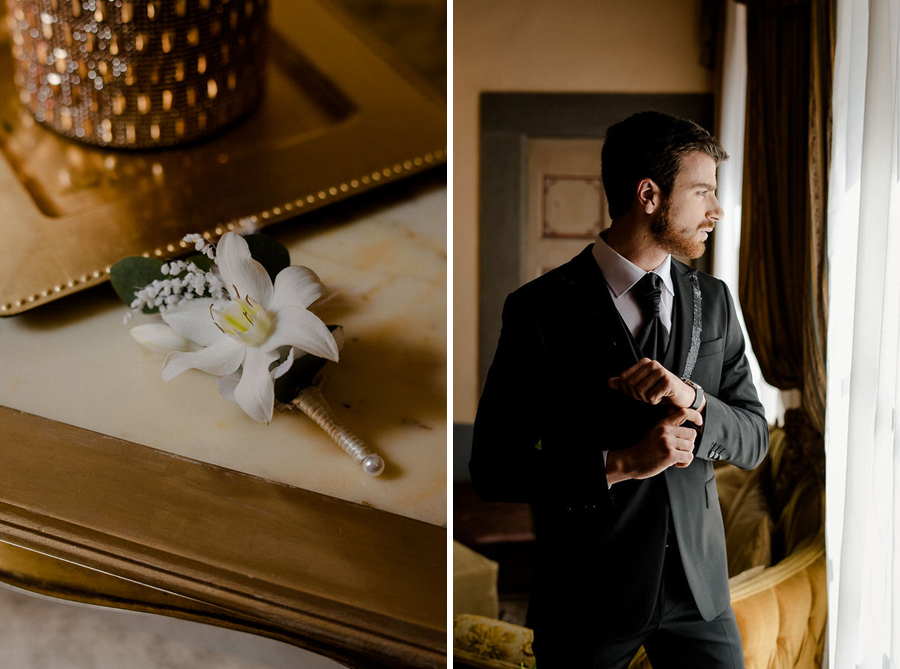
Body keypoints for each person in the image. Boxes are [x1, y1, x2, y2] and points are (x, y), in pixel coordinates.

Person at [469, 111, 769, 668]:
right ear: (649, 194)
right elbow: (493, 468)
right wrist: (624, 463)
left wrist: (695, 398)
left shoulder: (717, 299)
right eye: (702, 192)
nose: (716, 211)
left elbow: (754, 438)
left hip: (699, 595)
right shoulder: (539, 310)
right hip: (588, 593)